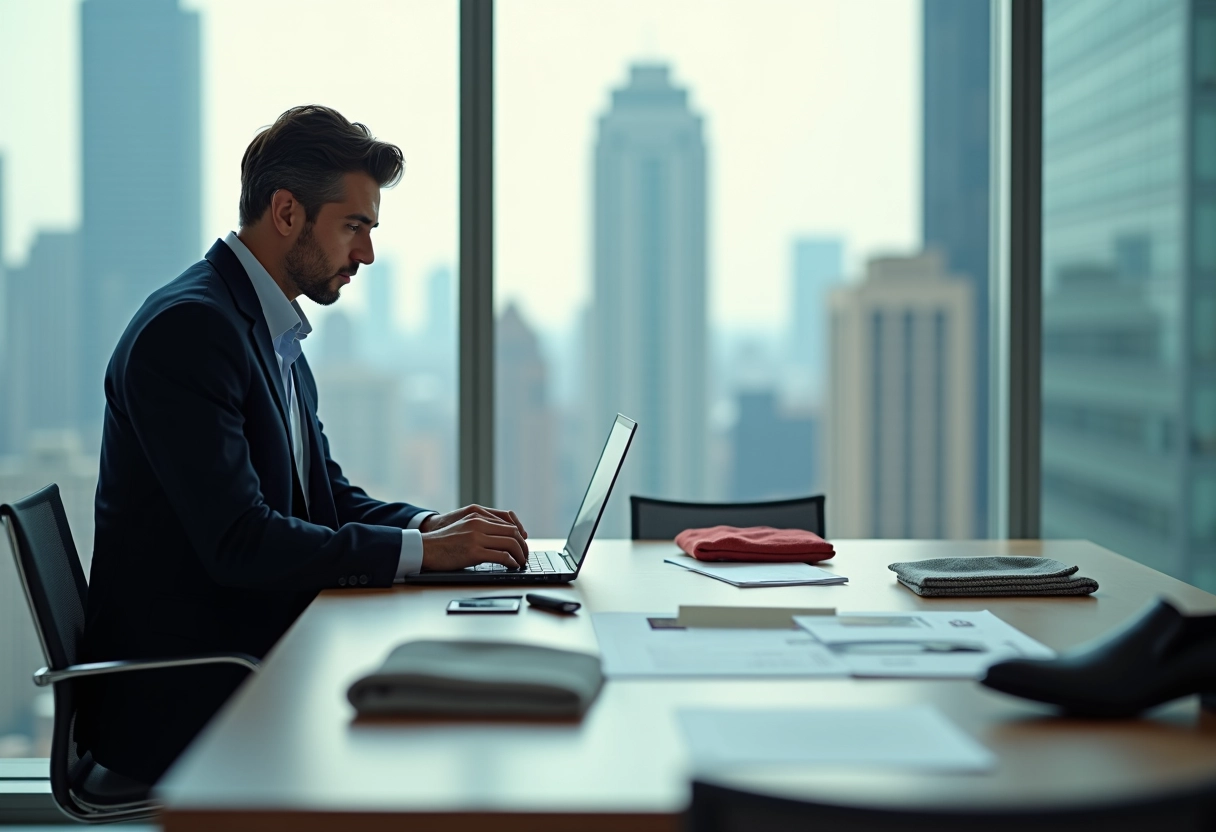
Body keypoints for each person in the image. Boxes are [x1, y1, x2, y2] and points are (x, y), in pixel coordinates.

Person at [78, 105, 529, 785]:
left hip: (255, 660)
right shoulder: (192, 332)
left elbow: (325, 497)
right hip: (192, 696)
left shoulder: (264, 327)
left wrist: (426, 527)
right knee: (439, 751)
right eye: (353, 227)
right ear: (286, 213)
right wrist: (425, 553)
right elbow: (242, 541)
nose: (367, 254)